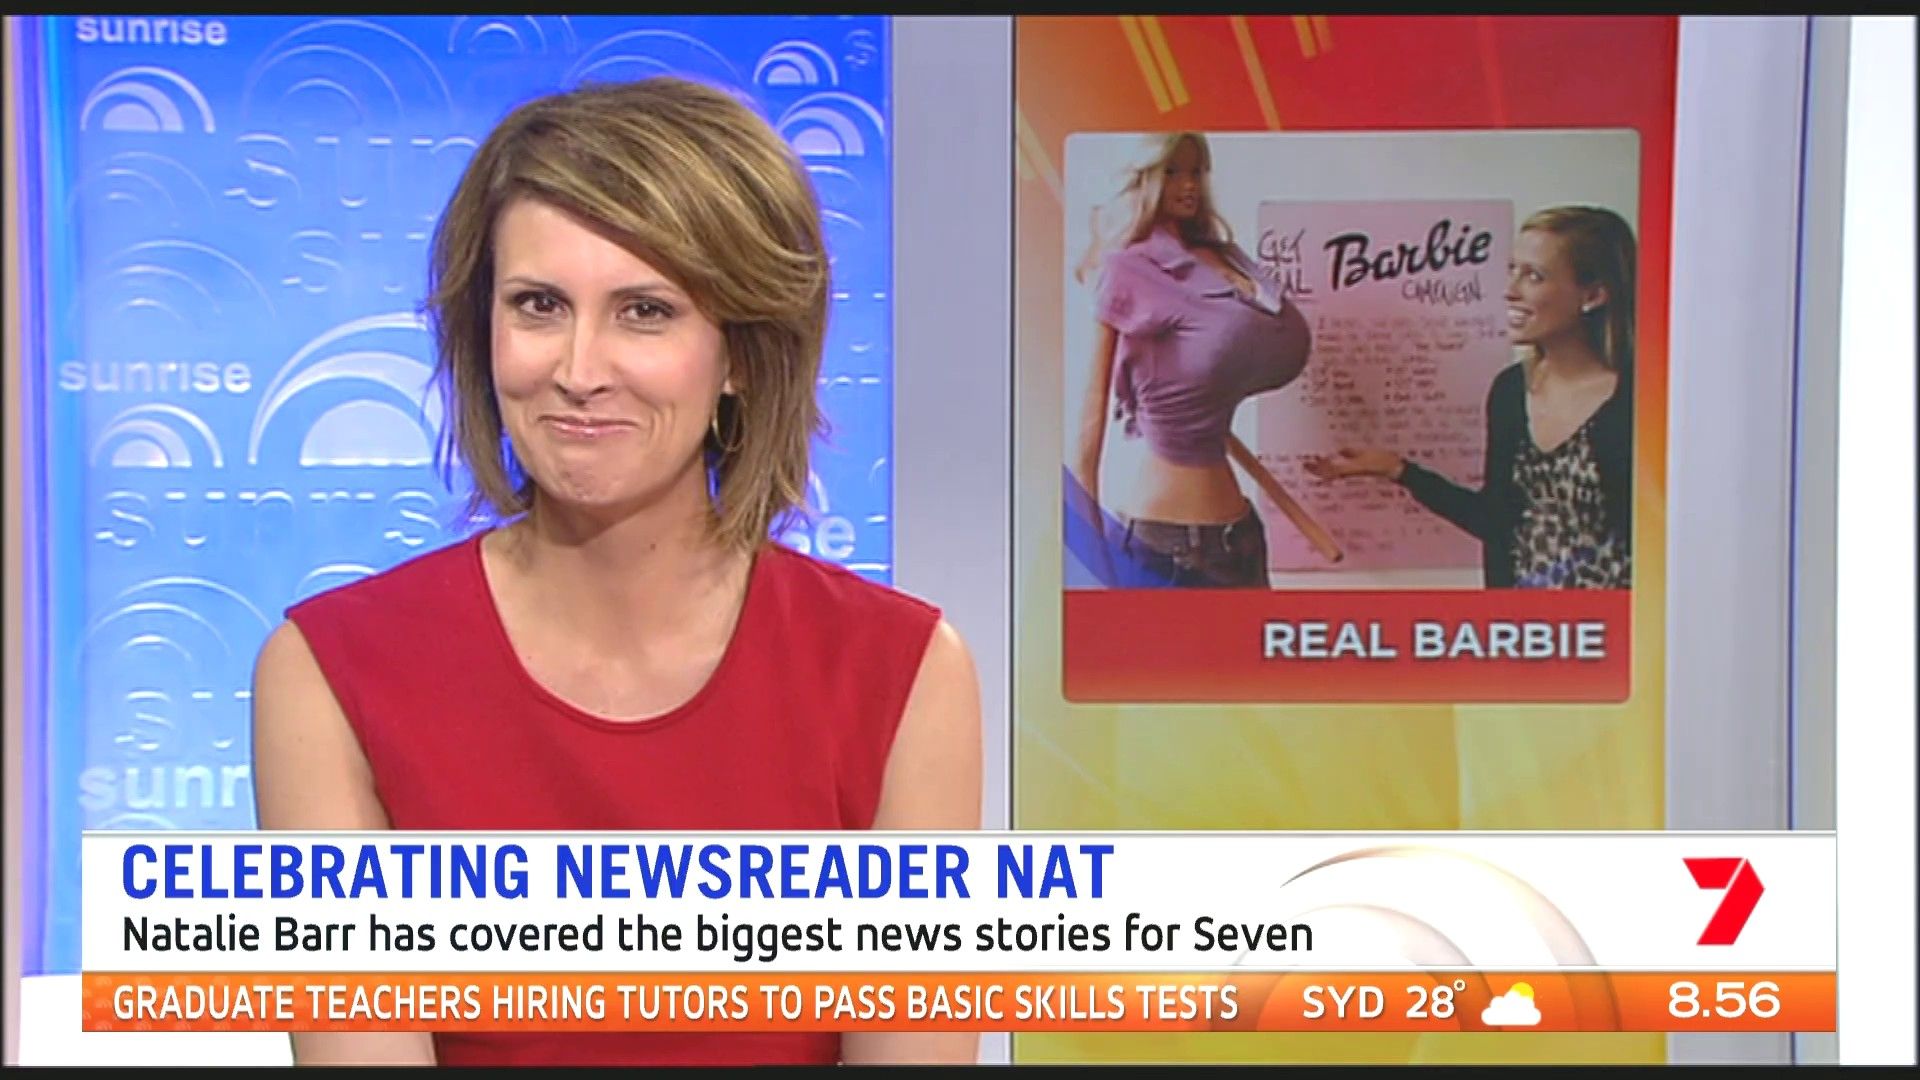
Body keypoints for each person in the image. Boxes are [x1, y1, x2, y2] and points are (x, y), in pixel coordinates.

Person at [249, 77, 982, 1067]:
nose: (580, 370)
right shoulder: (332, 672)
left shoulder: (901, 672)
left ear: (742, 354)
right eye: (538, 306)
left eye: (644, 311)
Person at [1305, 205, 1635, 589]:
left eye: (1534, 276)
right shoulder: (1510, 391)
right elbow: (1495, 521)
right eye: (1511, 270)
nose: (1510, 291)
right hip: (1523, 621)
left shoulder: (1640, 401)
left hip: (1616, 621)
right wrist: (1397, 469)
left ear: (1593, 294)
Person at [1068, 132, 1319, 589]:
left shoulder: (1225, 258)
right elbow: (1086, 437)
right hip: (1165, 550)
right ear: (1144, 178)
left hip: (1241, 537)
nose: (1188, 185)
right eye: (1172, 172)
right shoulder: (1128, 269)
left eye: (1196, 172)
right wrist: (1094, 568)